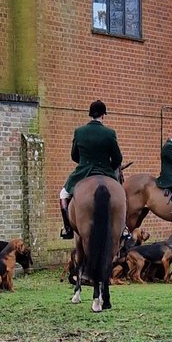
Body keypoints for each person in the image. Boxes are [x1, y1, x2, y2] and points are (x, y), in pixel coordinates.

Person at [59, 100, 123, 239]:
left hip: (83, 172)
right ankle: (124, 229)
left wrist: (84, 164)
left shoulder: (79, 132)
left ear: (90, 114)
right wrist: (108, 168)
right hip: (105, 171)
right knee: (122, 196)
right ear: (103, 115)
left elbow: (74, 155)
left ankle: (68, 228)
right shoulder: (109, 133)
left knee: (63, 195)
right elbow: (118, 159)